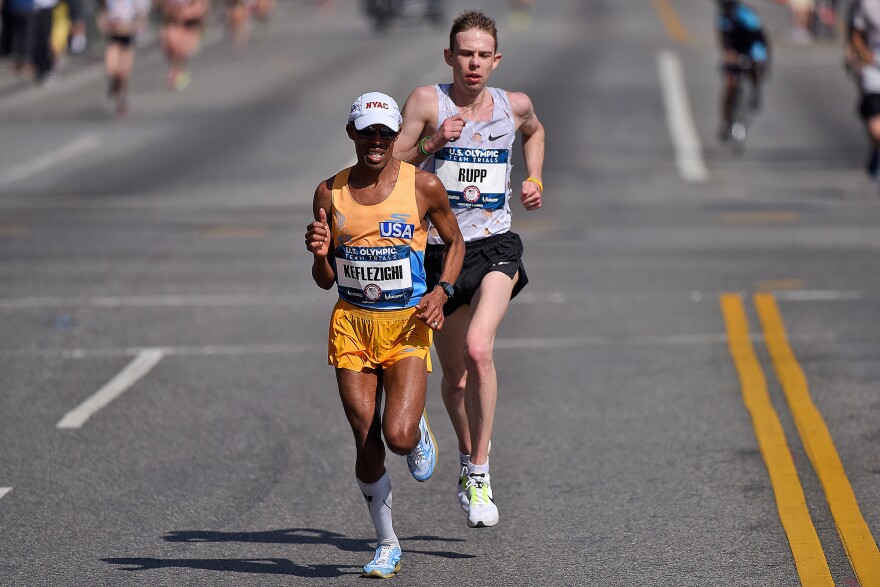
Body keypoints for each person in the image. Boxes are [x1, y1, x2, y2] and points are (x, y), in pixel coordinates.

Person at [394, 9, 544, 529]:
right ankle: (465, 457)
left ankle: (480, 470)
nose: (474, 64)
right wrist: (434, 144)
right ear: (449, 56)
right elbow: (390, 165)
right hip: (441, 253)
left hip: (495, 245)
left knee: (481, 349)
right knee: (455, 380)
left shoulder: (514, 105)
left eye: (483, 55)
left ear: (496, 59)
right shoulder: (425, 102)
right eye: (465, 54)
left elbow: (534, 131)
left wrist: (536, 180)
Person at [305, 92, 463, 578]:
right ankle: (387, 543)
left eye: (385, 133)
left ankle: (415, 432)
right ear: (351, 133)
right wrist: (318, 255)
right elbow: (325, 280)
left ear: (396, 138)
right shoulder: (328, 193)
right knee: (364, 435)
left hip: (407, 326)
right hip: (352, 323)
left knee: (396, 435)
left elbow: (455, 242)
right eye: (367, 131)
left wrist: (442, 291)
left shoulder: (424, 186)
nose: (376, 141)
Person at [715, 0, 770, 142]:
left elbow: (760, 37)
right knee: (730, 84)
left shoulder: (747, 14)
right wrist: (730, 58)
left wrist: (762, 60)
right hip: (735, 49)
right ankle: (726, 121)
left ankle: (755, 88)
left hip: (751, 45)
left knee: (755, 65)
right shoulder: (723, 18)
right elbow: (725, 42)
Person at [97, 0, 151, 116]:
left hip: (128, 39)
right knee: (111, 68)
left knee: (124, 73)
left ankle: (122, 100)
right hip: (113, 38)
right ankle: (114, 84)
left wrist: (134, 27)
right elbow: (103, 13)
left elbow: (142, 17)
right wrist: (103, 25)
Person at [848, 0, 880, 179]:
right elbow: (856, 34)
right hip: (875, 70)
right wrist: (861, 52)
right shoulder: (867, 4)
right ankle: (876, 149)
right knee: (876, 128)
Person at [157, 0, 207, 91]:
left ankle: (179, 71)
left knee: (181, 51)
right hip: (173, 25)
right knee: (172, 50)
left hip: (188, 26)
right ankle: (175, 71)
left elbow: (200, 9)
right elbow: (164, 7)